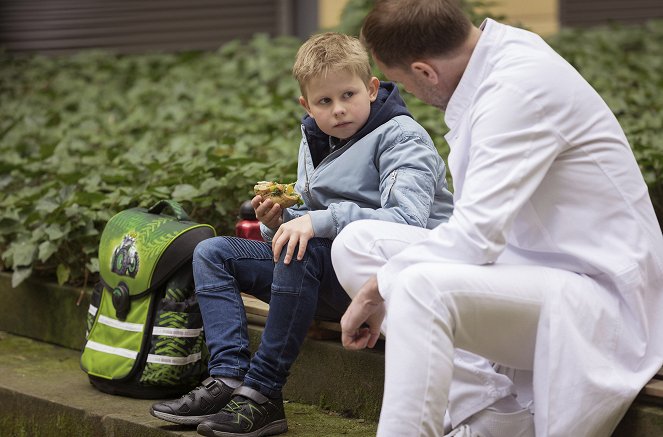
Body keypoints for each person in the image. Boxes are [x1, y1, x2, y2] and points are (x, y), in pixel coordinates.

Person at [331, 1, 663, 436]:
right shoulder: (494, 57)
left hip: (595, 297)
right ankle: (493, 412)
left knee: (417, 286)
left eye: (402, 82)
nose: (408, 93)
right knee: (357, 245)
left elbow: (474, 240)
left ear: (425, 71)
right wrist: (385, 278)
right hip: (530, 268)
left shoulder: (517, 90)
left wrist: (380, 287)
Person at [150, 31, 454, 437]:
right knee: (212, 252)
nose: (339, 110)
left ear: (371, 87)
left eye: (348, 95)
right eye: (324, 102)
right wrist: (279, 219)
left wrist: (316, 223)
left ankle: (263, 394)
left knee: (301, 250)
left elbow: (406, 219)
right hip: (326, 275)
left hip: (388, 281)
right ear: (306, 105)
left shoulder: (401, 137)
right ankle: (227, 381)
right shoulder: (314, 138)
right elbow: (310, 217)